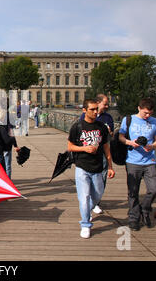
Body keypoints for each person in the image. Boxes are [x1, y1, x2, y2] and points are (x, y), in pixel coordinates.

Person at [68, 98, 115, 239]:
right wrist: (84, 148)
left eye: (96, 109)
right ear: (84, 110)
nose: (96, 112)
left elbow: (106, 148)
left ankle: (86, 212)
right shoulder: (77, 127)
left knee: (97, 195)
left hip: (98, 168)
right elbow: (70, 147)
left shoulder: (101, 127)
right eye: (92, 109)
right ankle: (85, 224)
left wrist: (111, 166)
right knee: (84, 198)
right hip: (82, 167)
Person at [119, 98, 156, 231]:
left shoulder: (155, 122)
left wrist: (151, 146)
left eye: (149, 113)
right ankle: (133, 217)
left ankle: (145, 208)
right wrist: (130, 142)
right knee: (133, 191)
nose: (147, 116)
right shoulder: (128, 120)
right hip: (132, 160)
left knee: (154, 189)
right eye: (145, 113)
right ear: (139, 108)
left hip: (149, 160)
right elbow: (120, 137)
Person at [79, 94, 114, 214]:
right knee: (87, 181)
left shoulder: (108, 117)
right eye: (105, 103)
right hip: (87, 154)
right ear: (98, 103)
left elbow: (111, 136)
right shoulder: (85, 117)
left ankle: (95, 202)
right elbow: (80, 132)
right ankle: (89, 206)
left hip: (102, 152)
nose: (107, 106)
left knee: (101, 180)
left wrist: (109, 132)